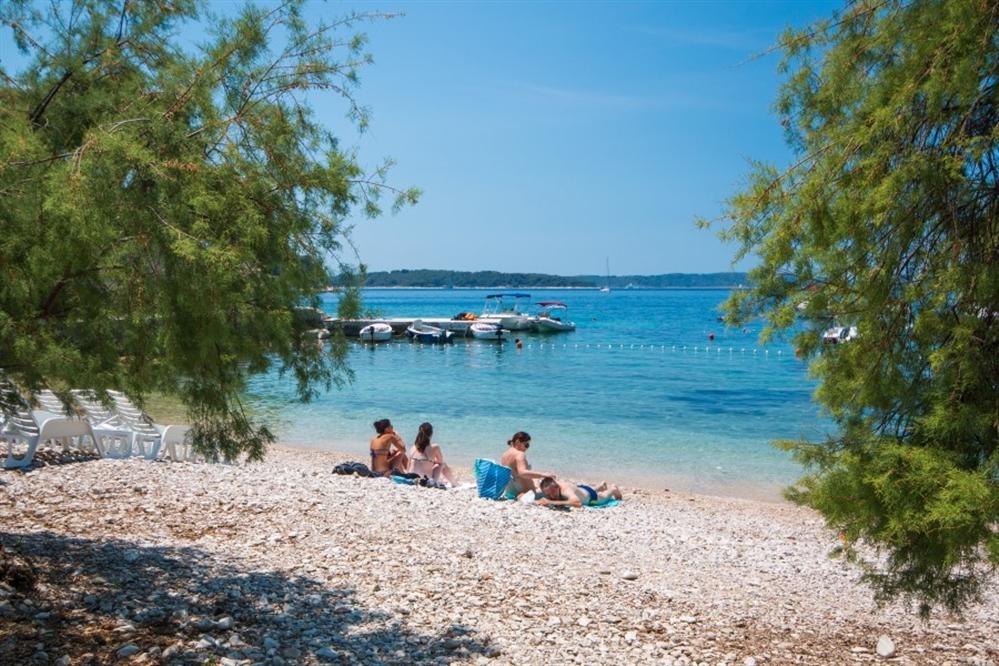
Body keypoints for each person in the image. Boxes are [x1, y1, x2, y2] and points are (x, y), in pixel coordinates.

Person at [498, 431, 556, 499]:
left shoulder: (504, 454)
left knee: (537, 481)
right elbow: (522, 473)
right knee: (559, 488)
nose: (527, 448)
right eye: (526, 445)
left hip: (511, 491)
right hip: (526, 493)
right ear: (518, 442)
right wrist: (543, 474)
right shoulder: (519, 454)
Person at [408, 422, 458, 487]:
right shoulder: (435, 447)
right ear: (431, 434)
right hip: (425, 480)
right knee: (443, 464)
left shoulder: (413, 447)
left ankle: (446, 481)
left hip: (411, 478)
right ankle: (455, 484)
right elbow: (440, 462)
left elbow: (408, 465)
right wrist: (432, 461)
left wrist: (429, 461)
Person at [536, 476, 623, 508]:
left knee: (603, 498)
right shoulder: (549, 486)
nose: (551, 496)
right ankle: (600, 486)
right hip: (580, 489)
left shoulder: (565, 491)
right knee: (582, 493)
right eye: (548, 494)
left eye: (553, 493)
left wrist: (551, 502)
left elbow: (577, 503)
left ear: (557, 487)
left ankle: (613, 489)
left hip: (591, 498)